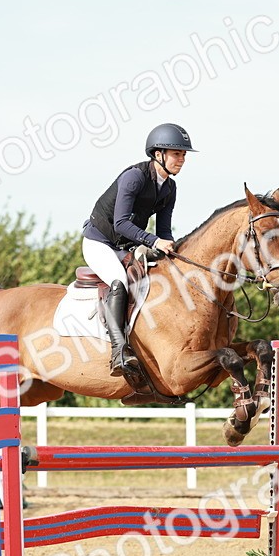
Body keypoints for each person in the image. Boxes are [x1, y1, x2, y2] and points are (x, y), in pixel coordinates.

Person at [81, 123, 195, 380]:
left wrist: (172, 252)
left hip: (126, 246)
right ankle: (118, 350)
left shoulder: (169, 188)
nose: (182, 160)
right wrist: (154, 242)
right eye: (177, 154)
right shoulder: (134, 177)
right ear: (158, 155)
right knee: (119, 281)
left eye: (184, 155)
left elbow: (164, 231)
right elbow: (120, 223)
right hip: (99, 241)